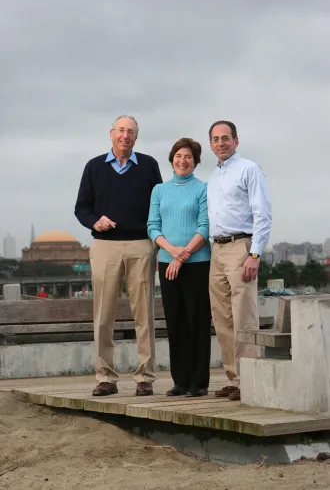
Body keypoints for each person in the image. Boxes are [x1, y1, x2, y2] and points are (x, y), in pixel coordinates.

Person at [74, 115, 162, 397]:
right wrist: (94, 222)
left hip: (140, 245)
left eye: (131, 132)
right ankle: (105, 377)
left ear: (136, 138)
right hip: (105, 246)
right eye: (121, 130)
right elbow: (81, 208)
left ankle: (145, 377)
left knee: (144, 314)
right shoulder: (94, 167)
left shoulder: (148, 166)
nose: (126, 136)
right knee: (103, 315)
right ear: (111, 134)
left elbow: (158, 205)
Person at [207, 120, 271, 401]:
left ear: (236, 140)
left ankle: (251, 380)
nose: (220, 143)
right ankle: (234, 378)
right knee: (222, 317)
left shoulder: (249, 169)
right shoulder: (213, 176)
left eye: (225, 138)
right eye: (215, 139)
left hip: (241, 247)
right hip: (217, 250)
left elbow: (263, 215)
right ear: (211, 144)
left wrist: (254, 254)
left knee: (244, 315)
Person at [148, 138, 211, 397]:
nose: (183, 160)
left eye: (188, 157)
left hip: (197, 263)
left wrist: (182, 255)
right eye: (178, 156)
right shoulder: (159, 190)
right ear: (172, 159)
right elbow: (153, 226)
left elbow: (205, 227)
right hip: (167, 264)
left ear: (195, 162)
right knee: (175, 322)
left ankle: (199, 382)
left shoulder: (203, 189)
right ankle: (180, 380)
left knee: (197, 320)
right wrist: (172, 252)